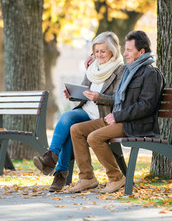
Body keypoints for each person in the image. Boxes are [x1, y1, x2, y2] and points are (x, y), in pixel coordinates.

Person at [67, 30, 164, 193]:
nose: (124, 53)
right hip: (119, 119)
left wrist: (118, 115)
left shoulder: (150, 73)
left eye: (129, 50)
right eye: (125, 49)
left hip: (135, 124)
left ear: (141, 52)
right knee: (76, 130)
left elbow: (146, 106)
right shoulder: (129, 70)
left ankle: (116, 178)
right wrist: (92, 58)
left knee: (94, 137)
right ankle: (87, 178)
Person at [33, 32, 125, 192]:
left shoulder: (120, 70)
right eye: (96, 51)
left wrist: (99, 97)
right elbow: (84, 92)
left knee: (72, 130)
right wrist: (73, 95)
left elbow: (118, 99)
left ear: (112, 51)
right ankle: (51, 157)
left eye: (103, 51)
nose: (99, 55)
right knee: (67, 117)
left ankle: (60, 172)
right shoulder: (93, 67)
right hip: (85, 111)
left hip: (102, 118)